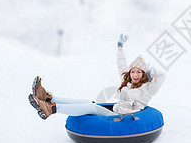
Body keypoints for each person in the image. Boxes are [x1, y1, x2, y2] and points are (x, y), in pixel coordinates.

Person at [28, 34, 166, 120]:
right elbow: (122, 65)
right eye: (133, 72)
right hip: (116, 111)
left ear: (143, 74)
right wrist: (120, 47)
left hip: (123, 119)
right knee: (85, 102)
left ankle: (51, 109)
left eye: (139, 72)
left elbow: (162, 74)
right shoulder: (128, 82)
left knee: (91, 107)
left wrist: (150, 72)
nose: (135, 75)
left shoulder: (148, 88)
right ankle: (48, 98)